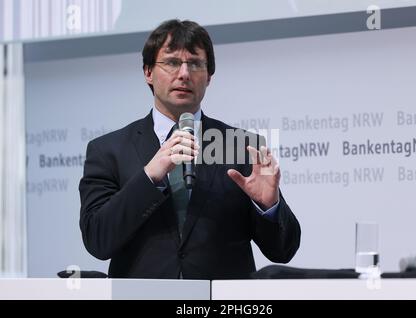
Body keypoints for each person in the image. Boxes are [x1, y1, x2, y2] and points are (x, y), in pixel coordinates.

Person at [79, 19, 300, 279]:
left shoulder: (241, 146)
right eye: (172, 62)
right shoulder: (108, 150)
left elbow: (282, 251)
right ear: (148, 72)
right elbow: (97, 240)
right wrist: (150, 176)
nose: (184, 74)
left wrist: (268, 205)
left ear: (209, 77)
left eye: (195, 64)